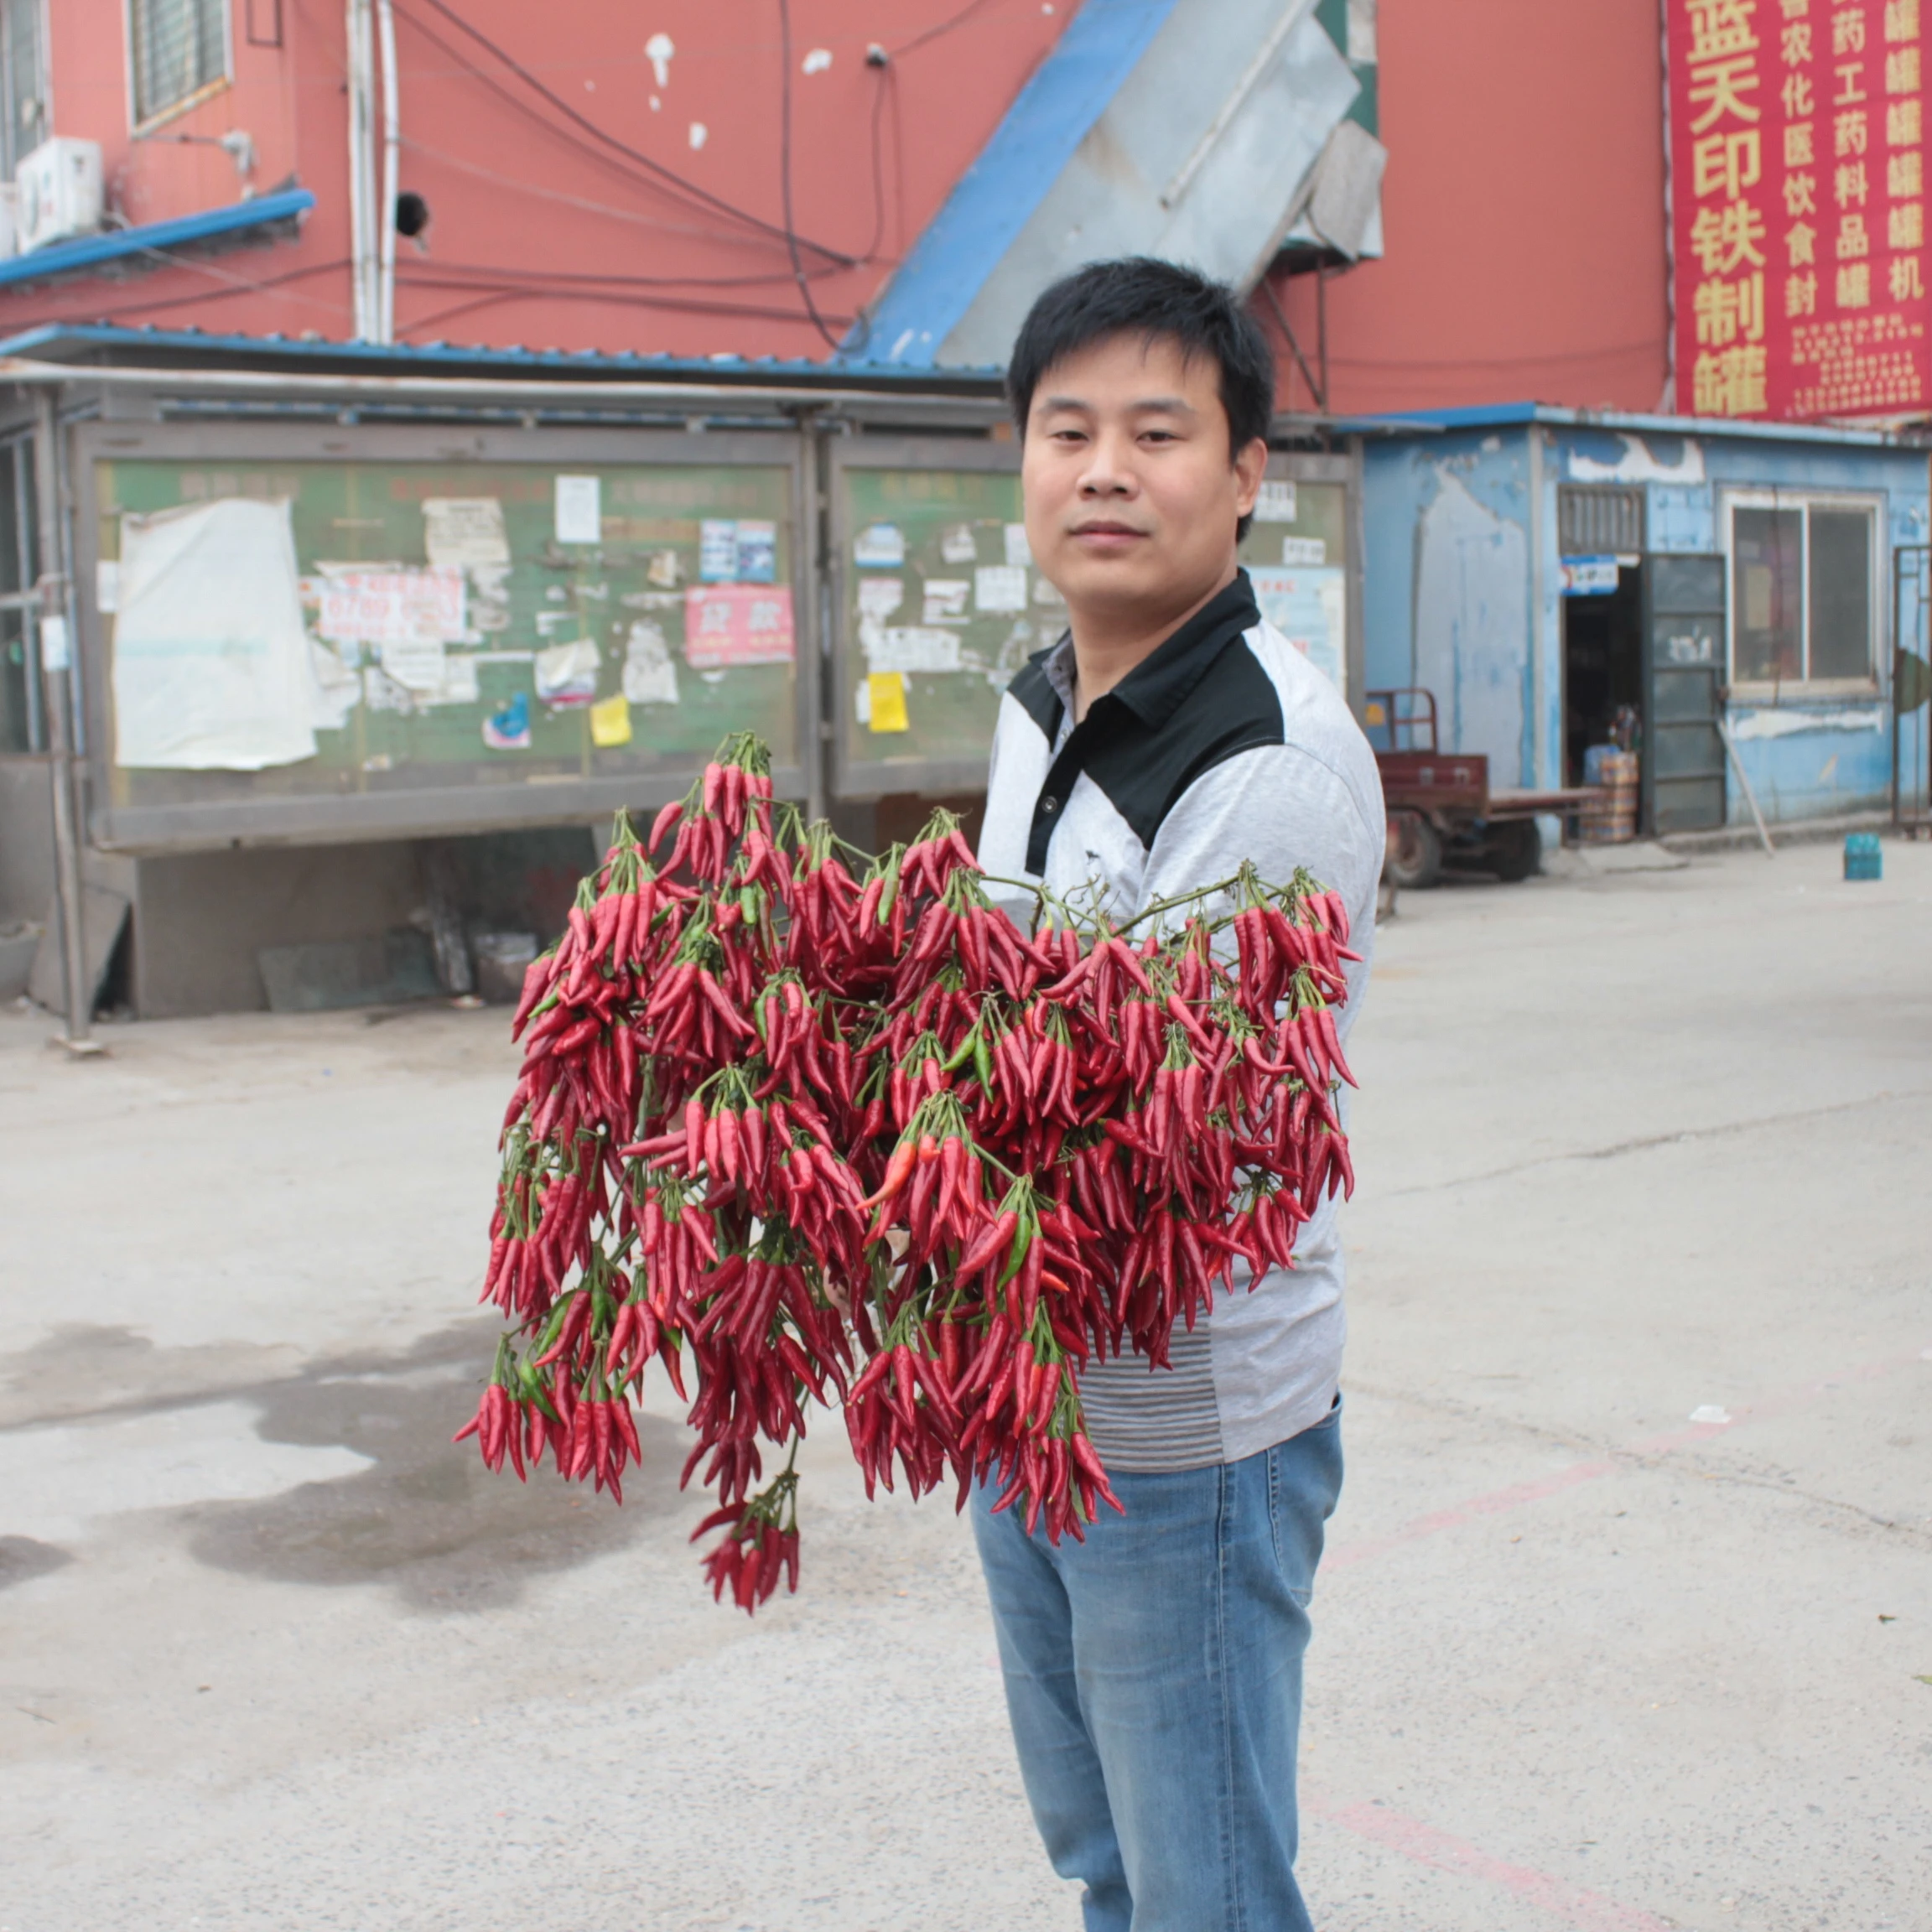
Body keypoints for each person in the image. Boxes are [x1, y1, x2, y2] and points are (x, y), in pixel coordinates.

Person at [972, 257, 1386, 1932]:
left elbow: (1152, 1141)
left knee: (1203, 1891)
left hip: (1183, 1433)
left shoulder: (1261, 761)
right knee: (1108, 1864)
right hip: (1027, 1392)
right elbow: (1000, 1002)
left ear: (1245, 474)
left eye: (1158, 431)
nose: (1104, 471)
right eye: (1066, 430)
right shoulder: (1047, 699)